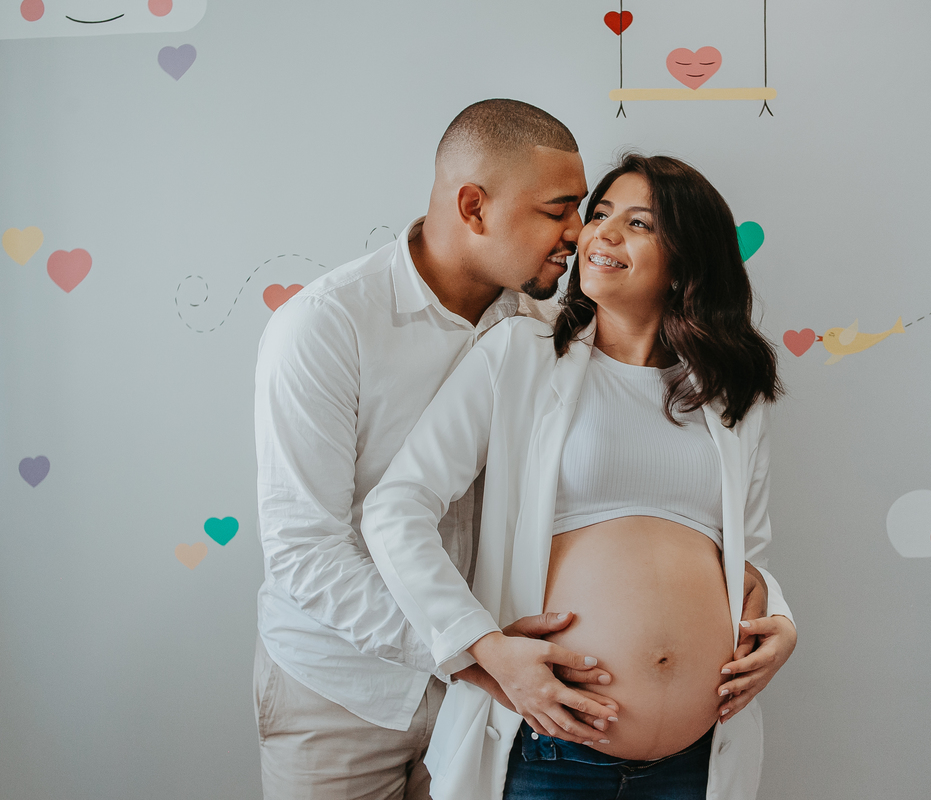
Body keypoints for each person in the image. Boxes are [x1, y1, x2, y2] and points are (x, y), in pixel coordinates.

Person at [362, 154, 798, 799]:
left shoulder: (729, 393)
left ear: (688, 258)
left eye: (640, 223)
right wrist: (485, 648)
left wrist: (780, 623)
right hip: (549, 750)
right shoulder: (521, 355)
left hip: (694, 760)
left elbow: (746, 558)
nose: (602, 233)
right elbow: (396, 508)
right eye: (599, 214)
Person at [252, 99, 615, 800]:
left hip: (490, 699)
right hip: (339, 691)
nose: (579, 233)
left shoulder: (550, 330)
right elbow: (305, 551)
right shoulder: (326, 327)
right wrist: (476, 653)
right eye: (558, 209)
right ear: (473, 206)